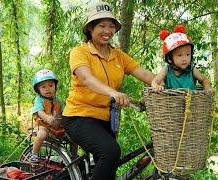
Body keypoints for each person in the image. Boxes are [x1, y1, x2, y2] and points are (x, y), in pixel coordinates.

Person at [62, 1, 155, 180]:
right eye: (102, 26)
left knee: (108, 168)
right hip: (79, 116)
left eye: (111, 26)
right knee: (111, 151)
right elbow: (87, 78)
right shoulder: (79, 52)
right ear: (90, 28)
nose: (108, 31)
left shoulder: (118, 55)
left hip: (106, 118)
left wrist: (169, 83)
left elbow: (143, 73)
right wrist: (113, 93)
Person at [151, 25, 214, 92]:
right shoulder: (167, 69)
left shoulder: (192, 70)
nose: (184, 59)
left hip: (191, 101)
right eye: (180, 55)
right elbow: (155, 81)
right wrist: (156, 86)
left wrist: (207, 87)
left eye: (187, 54)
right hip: (171, 101)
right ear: (170, 58)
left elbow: (204, 79)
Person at [30, 69, 65, 162]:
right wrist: (47, 117)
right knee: (42, 134)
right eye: (43, 87)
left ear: (55, 86)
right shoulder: (39, 100)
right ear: (38, 89)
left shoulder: (58, 100)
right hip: (44, 126)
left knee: (74, 135)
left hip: (57, 127)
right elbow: (40, 111)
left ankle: (74, 155)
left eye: (50, 85)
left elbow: (65, 112)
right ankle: (34, 153)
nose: (47, 89)